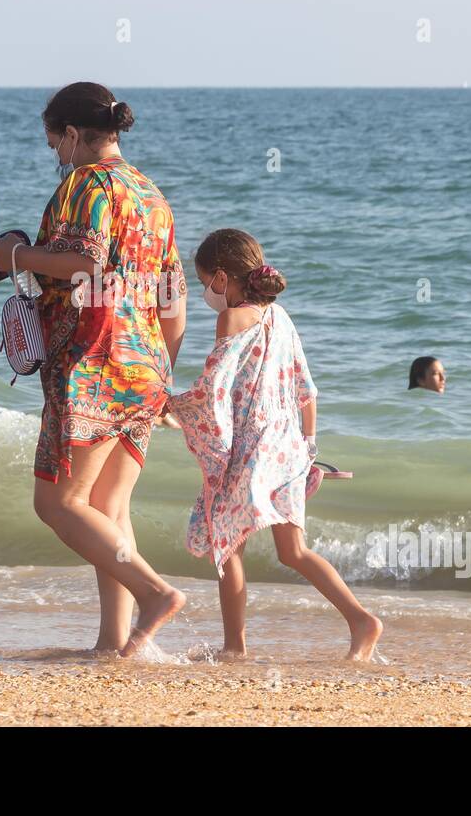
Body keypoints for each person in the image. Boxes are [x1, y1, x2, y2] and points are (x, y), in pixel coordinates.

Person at [0, 81, 188, 657]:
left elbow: (86, 260)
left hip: (90, 363)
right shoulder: (152, 195)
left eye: (55, 143)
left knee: (57, 505)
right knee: (108, 509)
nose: (56, 155)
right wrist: (163, 376)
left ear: (74, 135)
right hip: (145, 364)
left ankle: (155, 595)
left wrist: (14, 257)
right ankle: (113, 642)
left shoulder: (85, 182)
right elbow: (172, 297)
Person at [162, 228, 383, 661]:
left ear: (222, 278)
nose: (207, 292)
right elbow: (307, 389)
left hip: (253, 446)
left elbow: (213, 388)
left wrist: (168, 405)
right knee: (294, 551)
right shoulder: (281, 317)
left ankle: (234, 646)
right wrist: (309, 447)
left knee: (227, 543)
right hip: (289, 445)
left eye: (206, 281)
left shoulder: (231, 318)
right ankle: (361, 620)